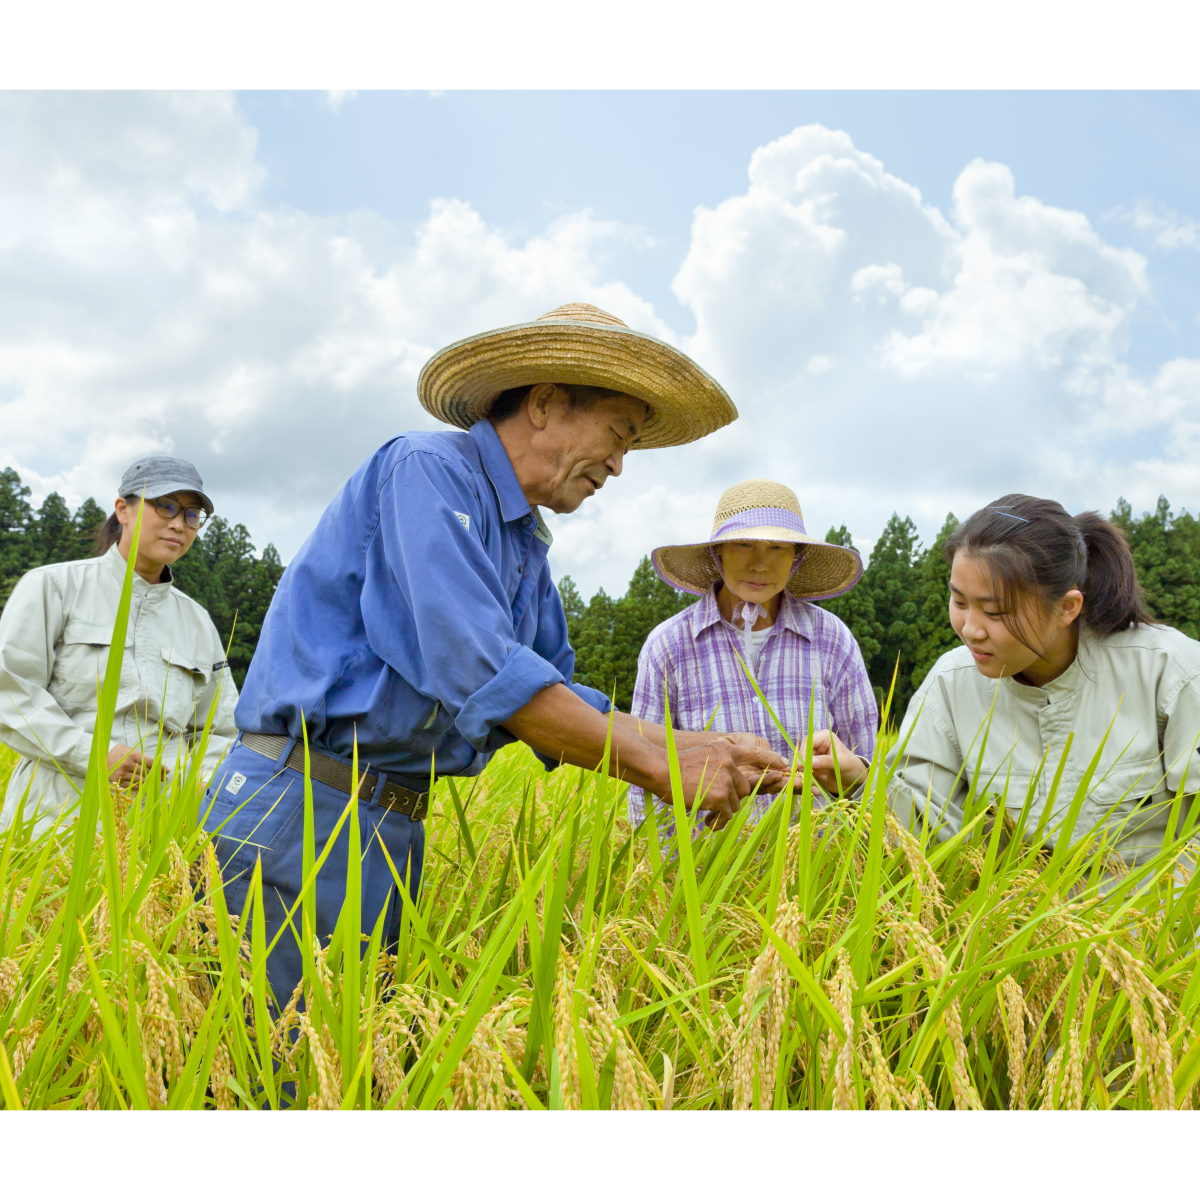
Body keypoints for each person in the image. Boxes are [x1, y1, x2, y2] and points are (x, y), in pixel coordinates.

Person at [202, 302, 792, 1007]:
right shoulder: (425, 473)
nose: (619, 464)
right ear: (544, 403)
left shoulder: (523, 544)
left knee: (351, 1053)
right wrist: (662, 765)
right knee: (283, 1068)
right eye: (618, 434)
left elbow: (555, 696)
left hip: (388, 819)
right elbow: (482, 669)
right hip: (302, 807)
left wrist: (704, 744)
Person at [811, 494, 1200, 865]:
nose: (971, 630)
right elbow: (923, 832)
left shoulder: (1168, 671)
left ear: (1067, 607)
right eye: (960, 602)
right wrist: (858, 782)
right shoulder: (951, 684)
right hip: (1014, 925)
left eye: (995, 612)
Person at [0, 455, 238, 834]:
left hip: (160, 828)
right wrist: (94, 756)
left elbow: (221, 730)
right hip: (55, 821)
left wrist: (192, 783)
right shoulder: (54, 587)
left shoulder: (197, 622)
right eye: (165, 505)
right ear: (123, 510)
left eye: (192, 515)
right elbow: (11, 694)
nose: (179, 523)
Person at [628, 479, 878, 835]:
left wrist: (853, 776)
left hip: (814, 869)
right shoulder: (670, 645)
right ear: (718, 553)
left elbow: (868, 764)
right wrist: (665, 873)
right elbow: (645, 772)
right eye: (744, 544)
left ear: (796, 558)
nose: (760, 564)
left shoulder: (830, 638)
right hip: (705, 868)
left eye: (777, 547)